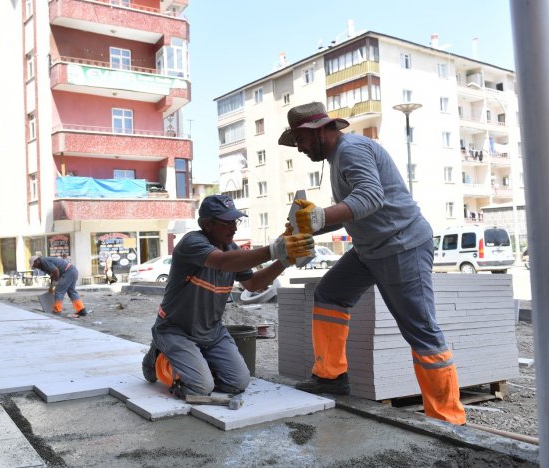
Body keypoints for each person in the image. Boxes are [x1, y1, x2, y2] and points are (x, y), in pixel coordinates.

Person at [278, 101, 466, 425]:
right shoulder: (339, 158)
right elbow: (354, 208)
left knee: (422, 331)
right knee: (330, 293)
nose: (301, 148)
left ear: (319, 130)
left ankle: (449, 420)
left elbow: (369, 198)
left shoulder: (351, 150)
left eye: (301, 140)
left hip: (401, 246)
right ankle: (331, 376)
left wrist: (317, 216)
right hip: (371, 249)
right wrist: (311, 224)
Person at [141, 194, 314, 399]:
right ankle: (158, 356)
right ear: (207, 224)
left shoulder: (232, 249)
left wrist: (284, 261)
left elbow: (253, 284)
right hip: (175, 329)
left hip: (211, 331)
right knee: (200, 388)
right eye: (226, 223)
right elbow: (222, 262)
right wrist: (275, 250)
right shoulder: (192, 243)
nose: (234, 228)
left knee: (238, 383)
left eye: (235, 221)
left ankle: (195, 361)